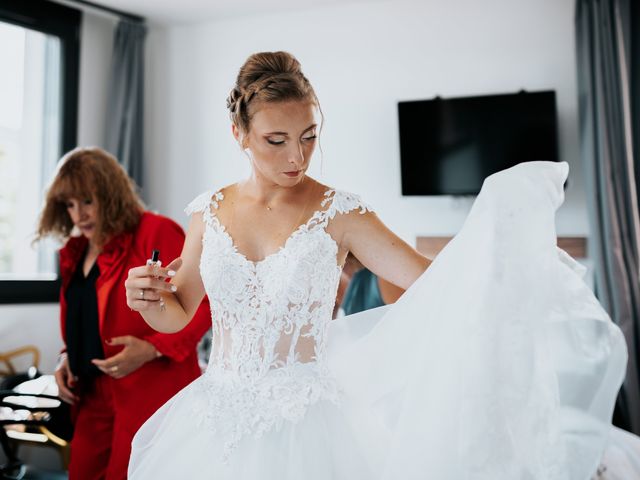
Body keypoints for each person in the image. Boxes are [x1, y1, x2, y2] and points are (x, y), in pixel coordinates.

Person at [125, 52, 627, 479]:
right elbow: (179, 310)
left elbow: (433, 281)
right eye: (276, 140)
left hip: (309, 425)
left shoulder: (340, 212)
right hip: (215, 419)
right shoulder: (207, 212)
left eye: (309, 136)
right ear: (239, 133)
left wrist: (507, 247)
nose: (297, 156)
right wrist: (147, 299)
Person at [36, 147, 211, 480]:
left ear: (109, 193)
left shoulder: (155, 231)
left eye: (87, 201)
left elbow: (203, 305)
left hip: (150, 392)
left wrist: (152, 347)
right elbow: (84, 318)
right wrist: (65, 357)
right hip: (91, 394)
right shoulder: (77, 252)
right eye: (69, 205)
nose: (78, 215)